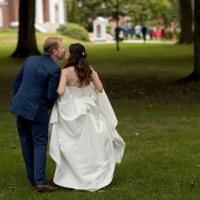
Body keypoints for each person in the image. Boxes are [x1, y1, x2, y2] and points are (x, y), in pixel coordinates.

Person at [49, 43, 125, 191]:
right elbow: (100, 88)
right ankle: (94, 173)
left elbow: (60, 91)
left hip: (71, 109)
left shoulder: (65, 72)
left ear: (71, 55)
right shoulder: (89, 70)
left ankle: (75, 176)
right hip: (89, 108)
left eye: (68, 52)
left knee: (74, 144)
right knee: (91, 143)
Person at [9, 37, 66, 192]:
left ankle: (32, 178)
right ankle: (40, 182)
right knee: (40, 144)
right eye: (62, 48)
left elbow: (16, 82)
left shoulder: (30, 60)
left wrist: (18, 100)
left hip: (20, 107)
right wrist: (46, 107)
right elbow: (50, 96)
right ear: (54, 51)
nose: (64, 50)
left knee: (26, 143)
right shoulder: (55, 69)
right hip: (37, 111)